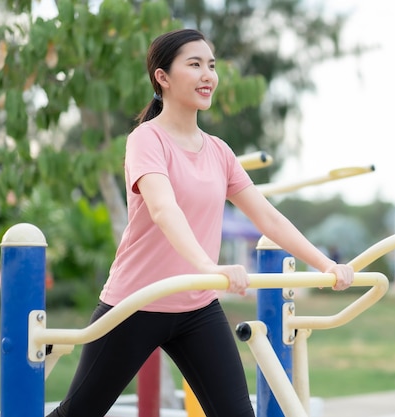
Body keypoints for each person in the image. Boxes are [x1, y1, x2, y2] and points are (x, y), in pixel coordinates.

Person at [46, 28, 354, 417]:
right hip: (135, 302)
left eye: (211, 65)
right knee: (79, 413)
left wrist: (324, 263)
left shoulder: (220, 152)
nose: (208, 74)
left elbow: (268, 217)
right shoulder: (146, 140)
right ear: (163, 77)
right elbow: (163, 209)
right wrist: (209, 267)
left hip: (197, 306)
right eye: (194, 65)